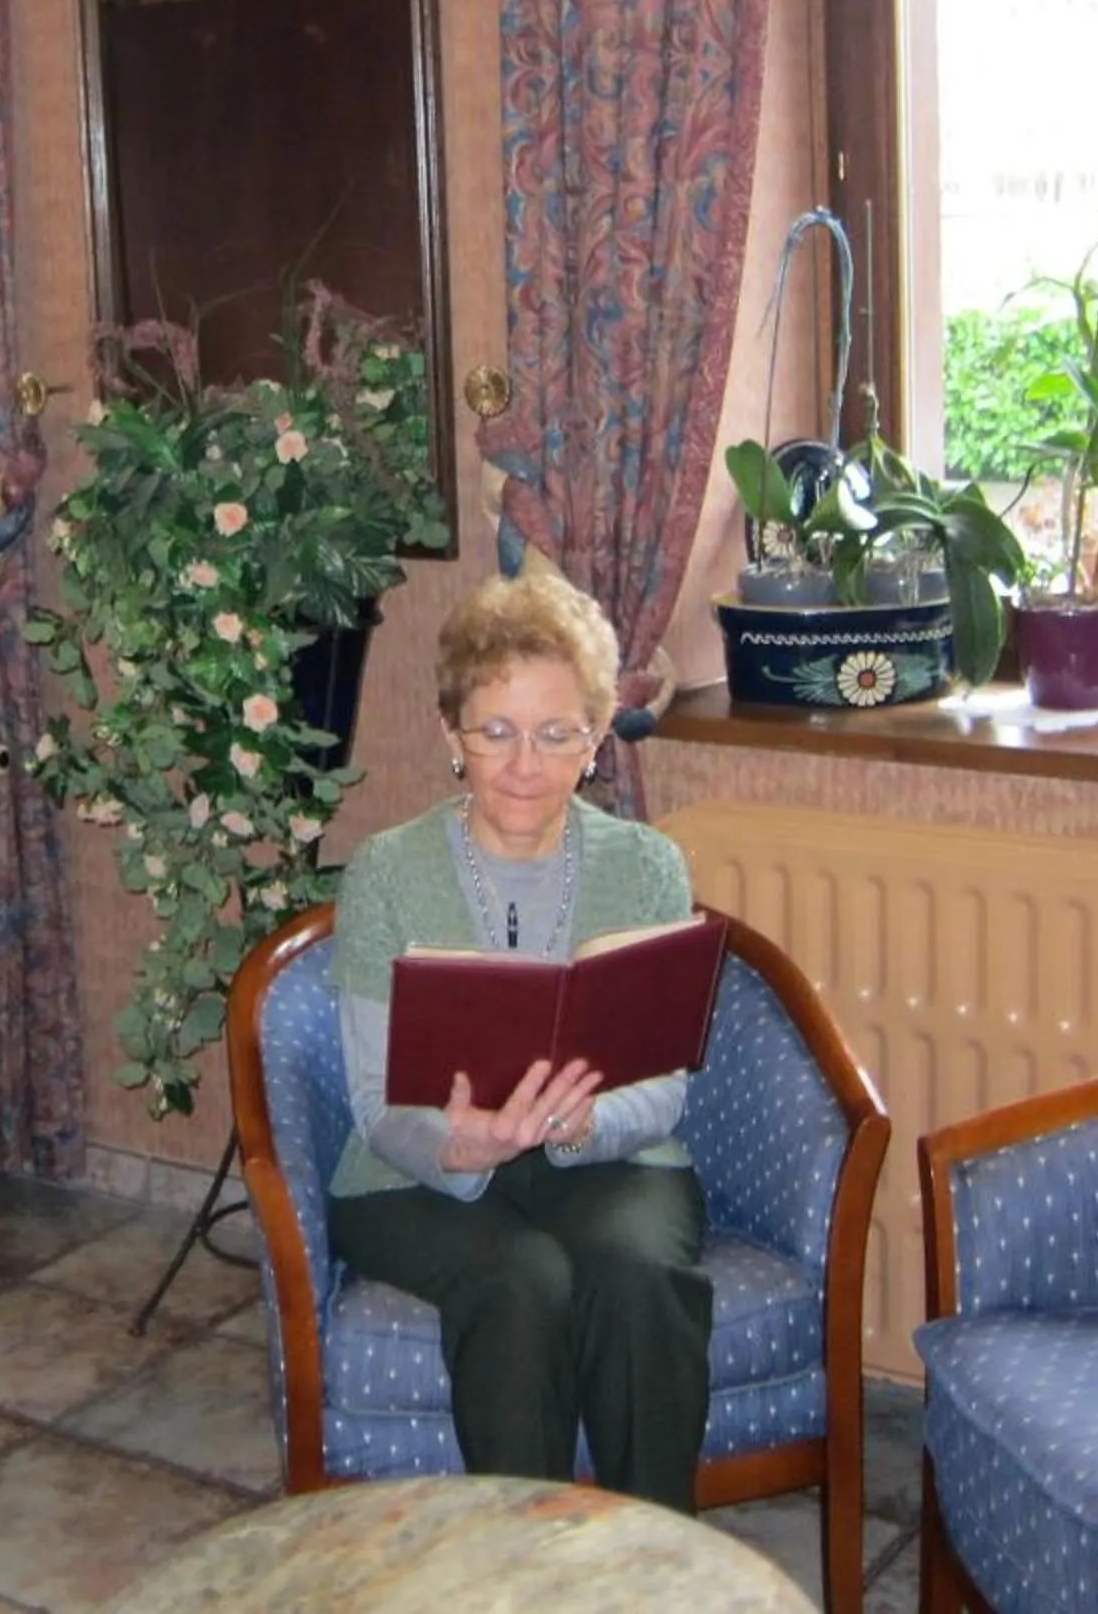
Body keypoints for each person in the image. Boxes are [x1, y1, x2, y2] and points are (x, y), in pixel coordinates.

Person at [326, 568, 711, 1509]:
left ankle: (652, 1553)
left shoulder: (648, 866)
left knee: (636, 1274)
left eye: (556, 733)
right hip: (417, 1174)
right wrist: (460, 1145)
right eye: (495, 732)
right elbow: (376, 1102)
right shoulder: (385, 872)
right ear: (449, 735)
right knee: (519, 1279)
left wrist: (581, 1124)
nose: (526, 764)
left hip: (607, 1158)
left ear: (596, 737)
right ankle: (520, 1561)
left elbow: (663, 1087)